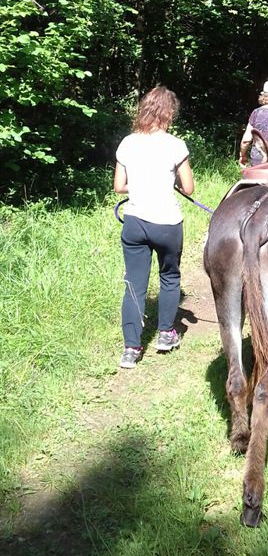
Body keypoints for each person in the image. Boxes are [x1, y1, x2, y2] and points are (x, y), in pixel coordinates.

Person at [113, 85, 194, 369]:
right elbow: (189, 187)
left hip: (135, 222)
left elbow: (118, 187)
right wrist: (169, 181)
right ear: (169, 113)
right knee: (169, 277)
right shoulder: (176, 145)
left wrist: (140, 184)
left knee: (134, 284)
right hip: (167, 223)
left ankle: (131, 350)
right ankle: (165, 334)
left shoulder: (127, 143)